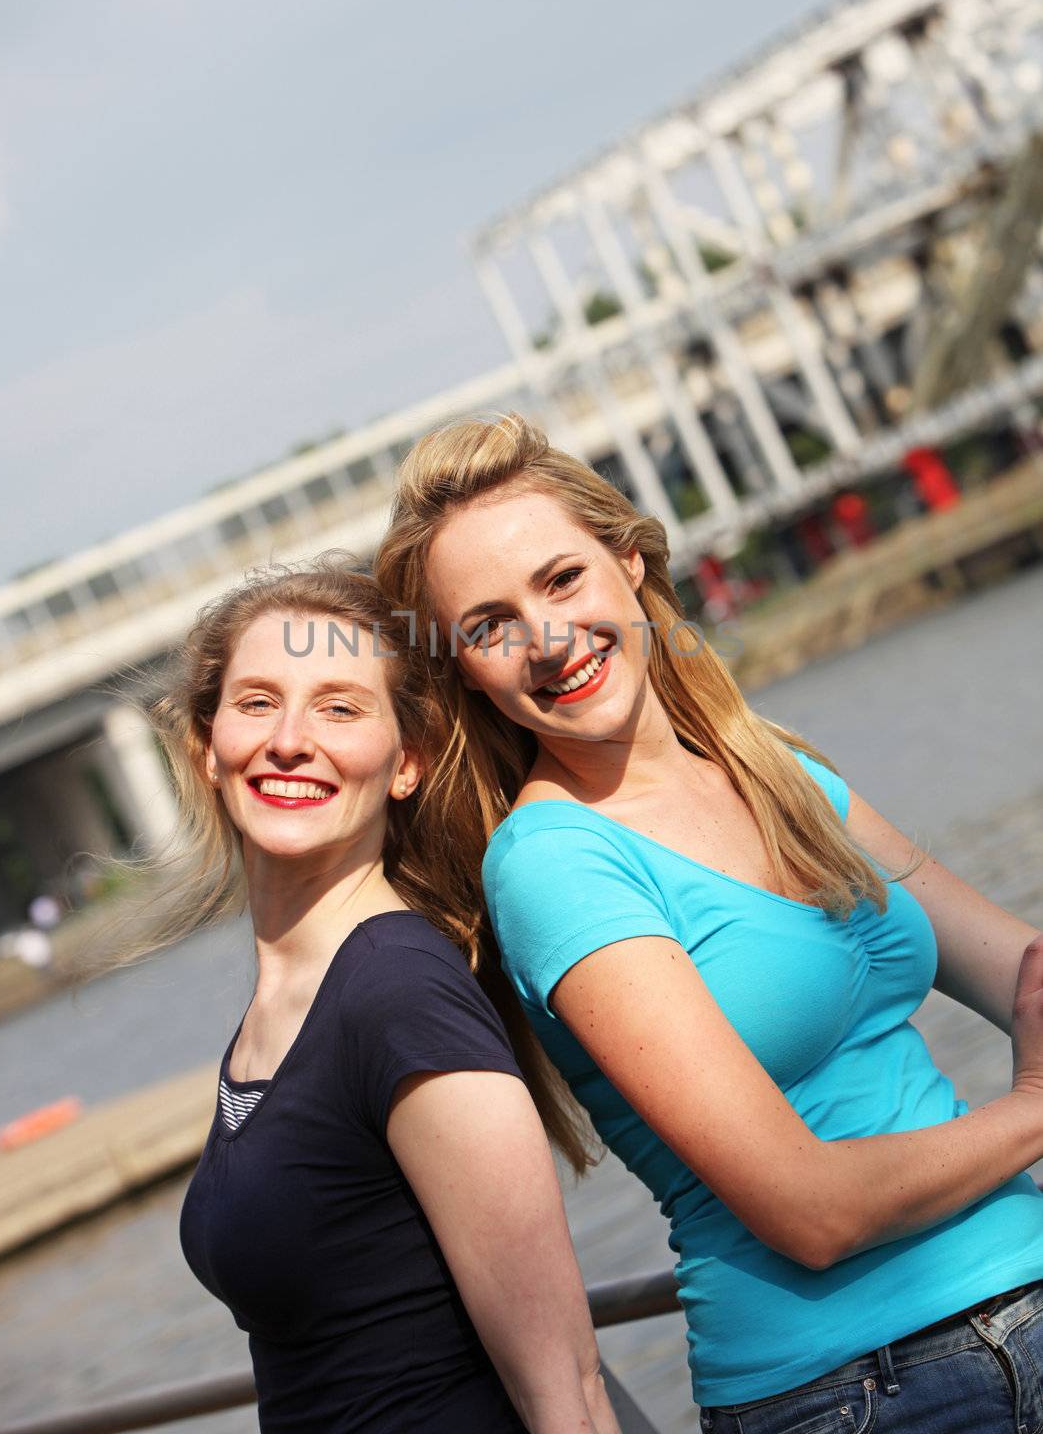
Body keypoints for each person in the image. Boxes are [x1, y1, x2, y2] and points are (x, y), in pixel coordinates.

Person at [374, 412, 1043, 1433]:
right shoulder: (554, 864)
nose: (548, 640)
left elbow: (1017, 966)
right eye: (490, 624)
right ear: (464, 667)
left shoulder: (772, 765)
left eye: (561, 580)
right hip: (866, 1390)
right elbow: (806, 1210)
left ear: (629, 560)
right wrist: (1033, 1109)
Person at [147, 558, 617, 1433]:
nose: (290, 739)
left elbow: (569, 1392)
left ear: (408, 762)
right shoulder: (286, 1006)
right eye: (256, 702)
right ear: (205, 748)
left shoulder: (398, 994)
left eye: (338, 706)